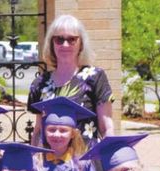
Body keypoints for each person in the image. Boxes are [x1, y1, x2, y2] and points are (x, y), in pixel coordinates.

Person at [27, 15, 114, 145]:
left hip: (85, 161)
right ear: (52, 43)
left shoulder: (95, 77)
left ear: (81, 44)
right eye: (59, 39)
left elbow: (106, 127)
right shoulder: (40, 83)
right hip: (49, 162)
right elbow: (39, 130)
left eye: (72, 39)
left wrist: (112, 159)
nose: (65, 45)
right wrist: (33, 160)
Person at [31, 97, 104, 171]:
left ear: (73, 134)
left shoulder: (83, 165)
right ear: (44, 131)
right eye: (51, 129)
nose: (57, 134)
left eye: (63, 130)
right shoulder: (36, 164)